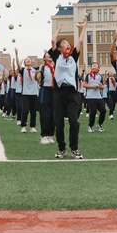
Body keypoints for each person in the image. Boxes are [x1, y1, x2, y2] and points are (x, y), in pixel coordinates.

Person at [49, 18, 87, 160]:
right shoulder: (57, 56)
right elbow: (53, 41)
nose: (67, 44)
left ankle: (74, 149)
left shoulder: (73, 57)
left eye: (67, 43)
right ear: (60, 48)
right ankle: (61, 148)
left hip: (72, 92)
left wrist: (84, 27)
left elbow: (80, 41)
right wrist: (58, 29)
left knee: (73, 121)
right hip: (59, 92)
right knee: (59, 122)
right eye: (64, 43)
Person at [15, 49, 39, 133]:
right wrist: (16, 54)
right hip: (25, 93)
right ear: (25, 63)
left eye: (29, 59)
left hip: (34, 93)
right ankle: (23, 126)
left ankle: (33, 126)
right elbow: (18, 65)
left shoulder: (36, 70)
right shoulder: (23, 70)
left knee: (33, 111)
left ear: (32, 63)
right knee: (25, 110)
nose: (28, 60)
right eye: (26, 60)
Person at [36, 51, 56, 144]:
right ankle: (44, 135)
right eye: (48, 54)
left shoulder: (56, 66)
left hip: (54, 91)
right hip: (45, 90)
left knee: (53, 114)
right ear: (44, 58)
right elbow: (38, 78)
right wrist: (37, 75)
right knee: (45, 114)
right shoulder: (43, 67)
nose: (50, 55)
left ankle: (50, 135)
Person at [82, 62, 106, 133]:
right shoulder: (88, 75)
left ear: (99, 68)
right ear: (91, 68)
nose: (94, 66)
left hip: (99, 96)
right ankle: (90, 126)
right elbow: (84, 85)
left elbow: (103, 87)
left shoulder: (100, 76)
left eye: (96, 65)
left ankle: (99, 124)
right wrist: (92, 86)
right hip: (90, 97)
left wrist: (101, 86)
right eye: (93, 65)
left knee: (103, 111)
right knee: (93, 112)